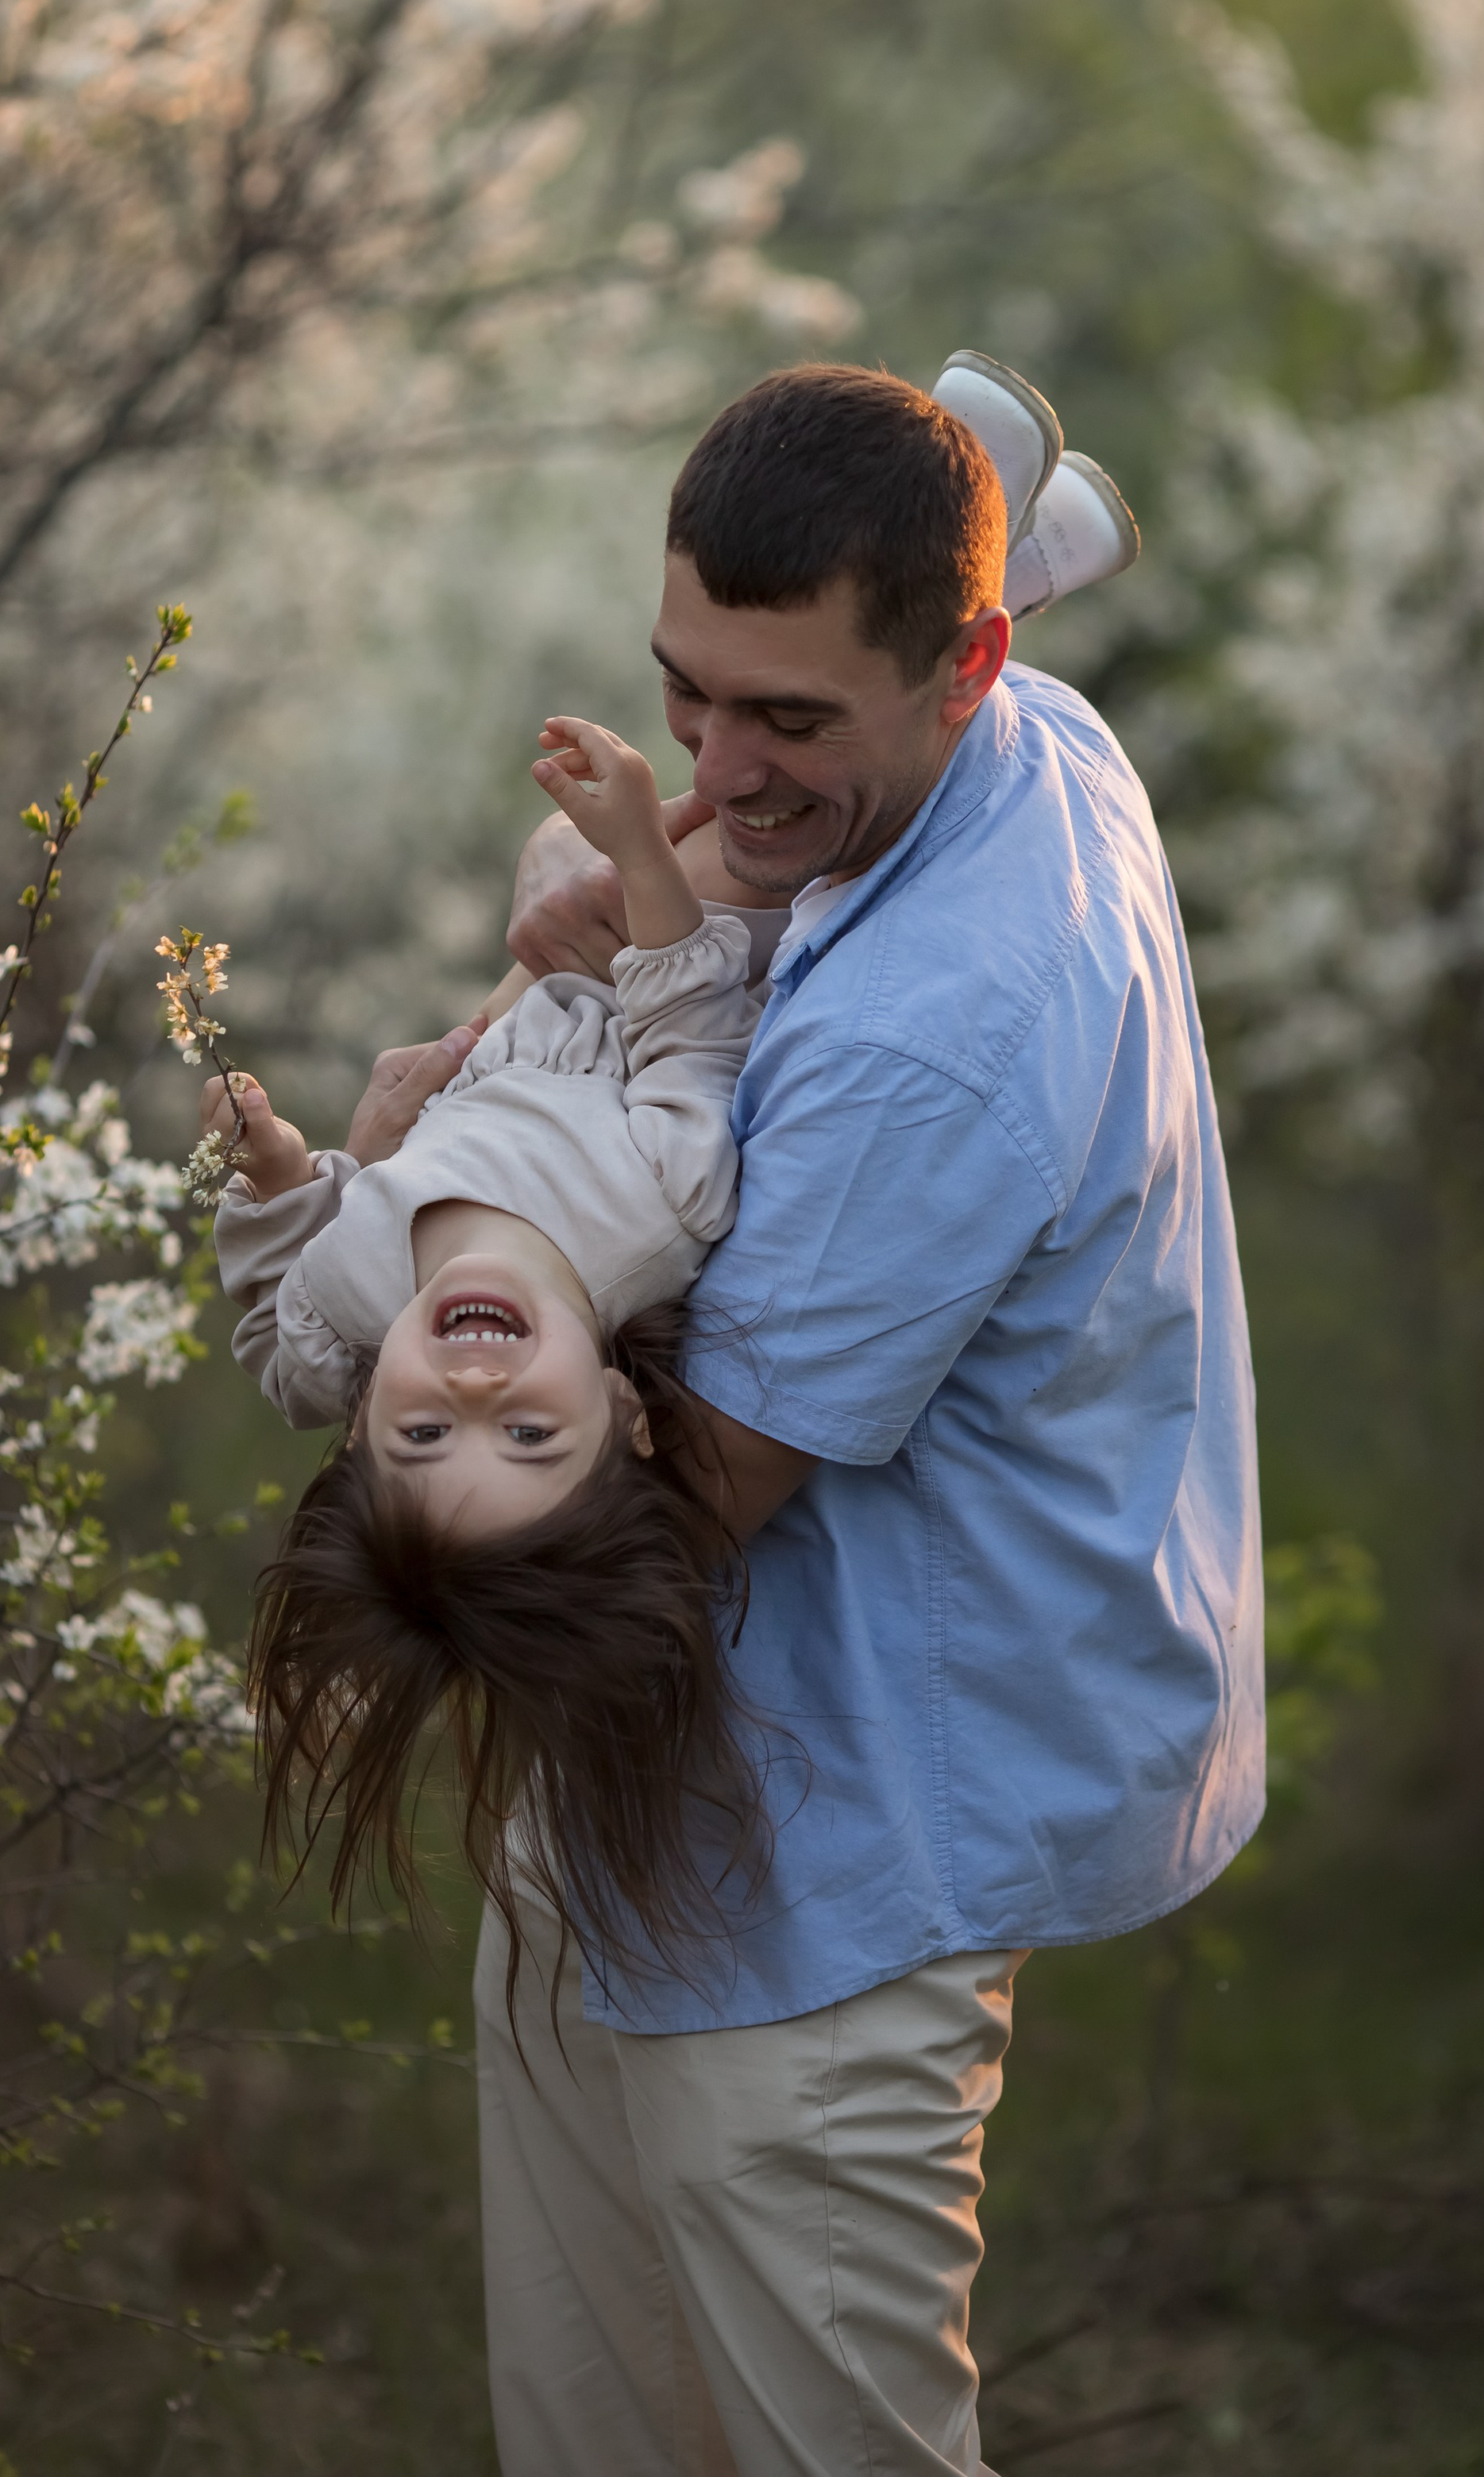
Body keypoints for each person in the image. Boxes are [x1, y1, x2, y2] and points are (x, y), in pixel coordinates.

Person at [482, 358, 1262, 2477]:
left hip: (818, 1888)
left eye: (789, 725)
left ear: (965, 663)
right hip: (634, 1809)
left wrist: (435, 1225)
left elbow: (683, 1490)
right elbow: (788, 756)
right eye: (688, 696)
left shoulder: (939, 1030)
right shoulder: (1018, 731)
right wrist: (678, 905)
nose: (716, 773)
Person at [210, 712, 779, 1991]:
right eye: (531, 1436)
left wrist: (284, 1179)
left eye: (424, 1434)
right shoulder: (658, 1209)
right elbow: (696, 1037)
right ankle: (934, 638)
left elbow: (272, 1330)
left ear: (360, 1423)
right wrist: (637, 854)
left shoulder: (342, 1317)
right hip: (660, 975)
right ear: (628, 1414)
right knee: (598, 864)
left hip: (526, 996)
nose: (473, 1390)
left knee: (542, 864)